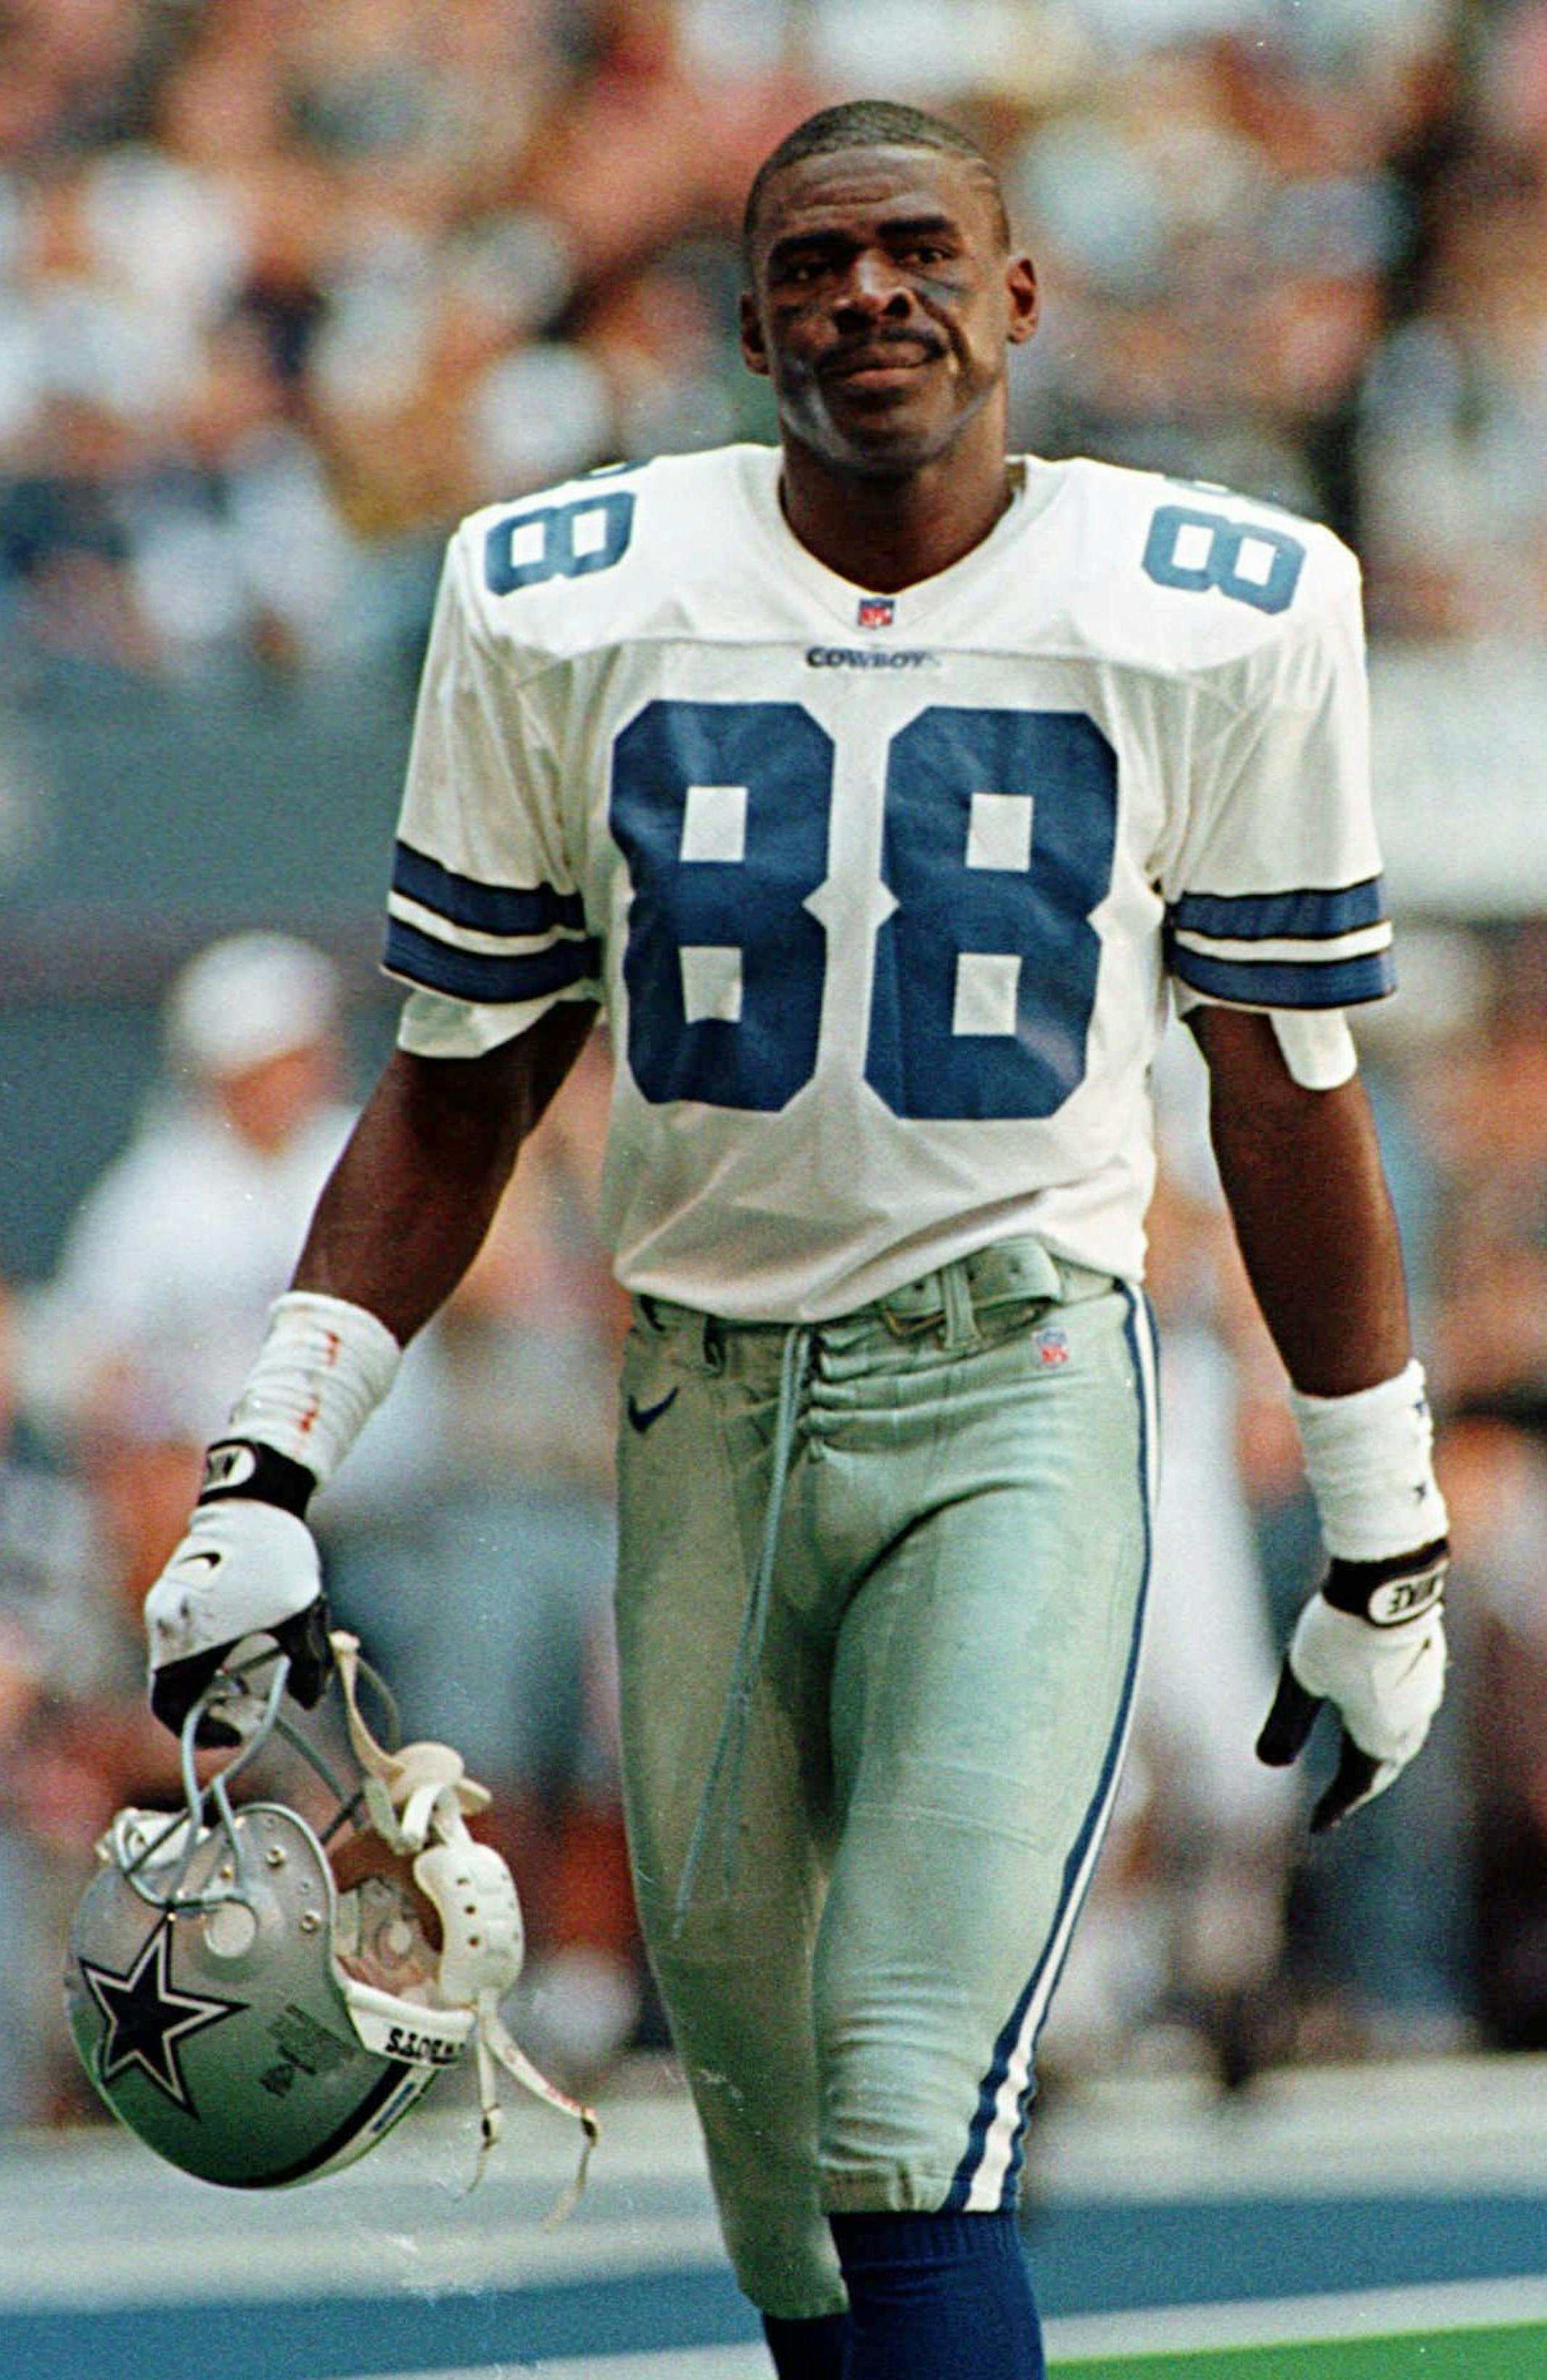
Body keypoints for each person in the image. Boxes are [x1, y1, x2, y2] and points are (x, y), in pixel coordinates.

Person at [141, 100, 1452, 2380]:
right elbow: (465, 1076)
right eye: (820, 263)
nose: (876, 296)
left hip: (1018, 1388)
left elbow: (1282, 1092)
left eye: (923, 249)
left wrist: (1385, 1538)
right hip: (703, 1407)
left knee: (904, 2089)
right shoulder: (568, 594)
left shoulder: (1220, 612)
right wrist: (267, 1458)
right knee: (782, 2177)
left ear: (1021, 291)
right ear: (750, 324)